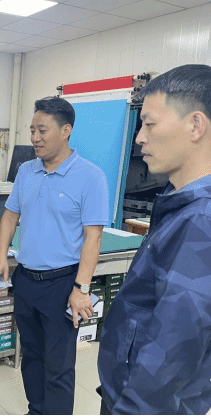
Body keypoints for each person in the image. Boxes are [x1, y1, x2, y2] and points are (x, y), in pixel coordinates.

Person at [98, 64, 211, 415]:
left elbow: (175, 348)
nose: (139, 138)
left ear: (195, 125)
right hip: (127, 390)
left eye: (149, 124)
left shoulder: (201, 221)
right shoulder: (181, 205)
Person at [0, 96, 109, 415]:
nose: (34, 138)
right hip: (26, 280)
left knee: (58, 366)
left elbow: (93, 236)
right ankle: (37, 410)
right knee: (31, 356)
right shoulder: (27, 171)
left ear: (66, 130)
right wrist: (1, 257)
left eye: (42, 130)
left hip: (62, 284)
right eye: (32, 130)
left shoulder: (90, 176)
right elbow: (10, 216)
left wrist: (81, 288)